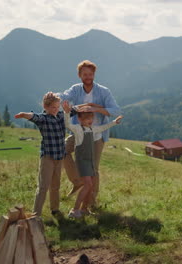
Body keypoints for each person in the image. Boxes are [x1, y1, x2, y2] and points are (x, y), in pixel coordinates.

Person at [58, 60, 122, 209]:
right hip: (79, 132)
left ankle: (91, 203)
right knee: (62, 151)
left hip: (96, 135)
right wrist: (54, 97)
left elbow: (116, 110)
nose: (88, 76)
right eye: (85, 74)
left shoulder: (103, 91)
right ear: (80, 75)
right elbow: (63, 97)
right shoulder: (76, 89)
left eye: (91, 74)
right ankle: (77, 181)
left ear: (94, 74)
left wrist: (96, 109)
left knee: (93, 170)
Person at [62, 100, 123, 218]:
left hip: (89, 162)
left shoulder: (91, 129)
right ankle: (74, 210)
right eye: (86, 119)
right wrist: (66, 113)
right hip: (82, 163)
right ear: (80, 119)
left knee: (90, 185)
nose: (90, 121)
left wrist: (114, 122)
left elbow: (102, 128)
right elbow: (67, 125)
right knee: (88, 185)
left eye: (91, 118)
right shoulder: (78, 130)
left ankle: (84, 209)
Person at [14, 92, 66, 217]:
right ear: (46, 107)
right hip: (48, 157)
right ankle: (36, 214)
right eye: (53, 107)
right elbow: (34, 116)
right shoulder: (44, 119)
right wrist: (23, 115)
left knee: (55, 185)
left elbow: (73, 111)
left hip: (59, 156)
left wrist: (87, 107)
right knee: (43, 186)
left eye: (58, 107)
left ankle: (55, 209)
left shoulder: (60, 116)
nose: (56, 109)